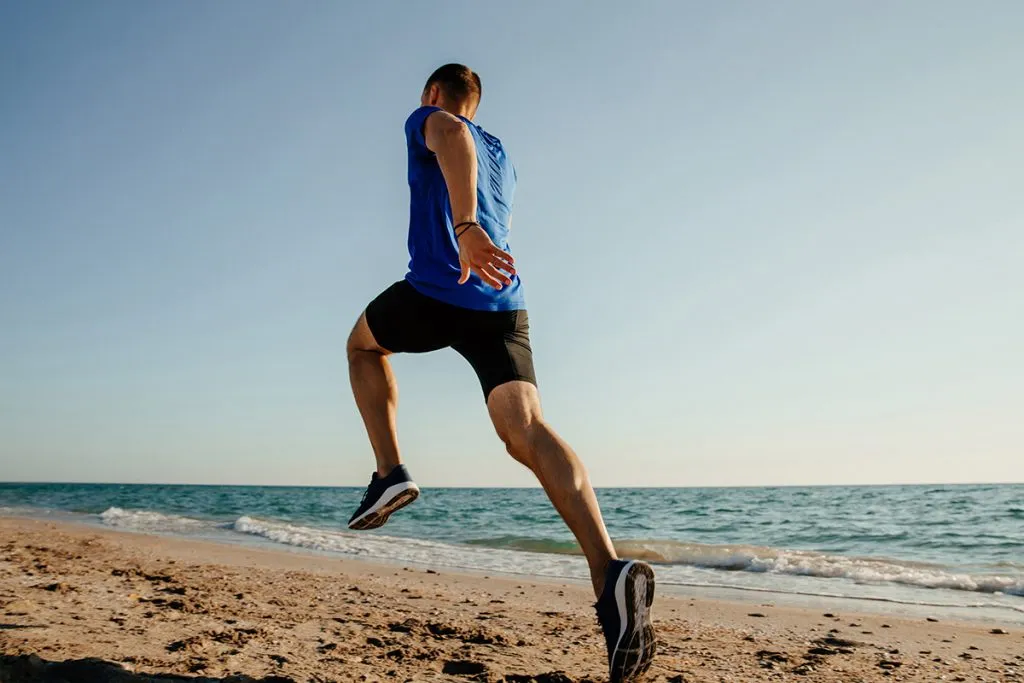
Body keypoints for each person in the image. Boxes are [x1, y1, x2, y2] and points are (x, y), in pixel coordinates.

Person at [345, 64, 656, 682]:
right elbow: (468, 146)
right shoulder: (503, 155)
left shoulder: (432, 120)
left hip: (441, 289)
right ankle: (609, 571)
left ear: (435, 95)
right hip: (503, 305)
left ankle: (389, 472)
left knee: (361, 348)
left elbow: (451, 137)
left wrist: (464, 229)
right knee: (526, 430)